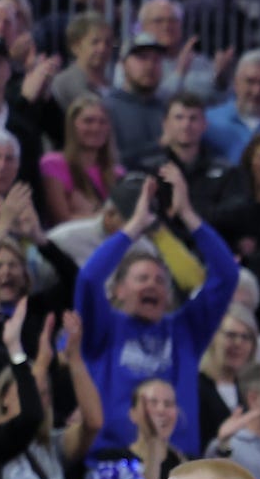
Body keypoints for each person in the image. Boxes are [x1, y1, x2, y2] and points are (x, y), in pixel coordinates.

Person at [77, 172, 240, 457]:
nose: (153, 284)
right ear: (118, 290)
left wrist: (188, 215)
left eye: (160, 281)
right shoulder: (103, 329)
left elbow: (226, 275)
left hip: (175, 461)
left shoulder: (187, 330)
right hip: (115, 459)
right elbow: (89, 280)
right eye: (142, 279)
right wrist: (134, 227)